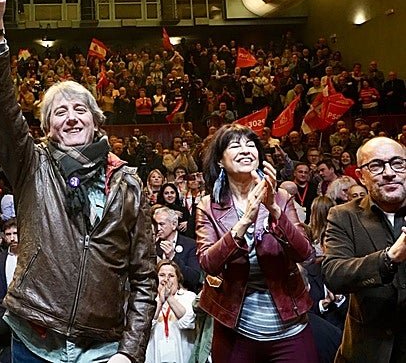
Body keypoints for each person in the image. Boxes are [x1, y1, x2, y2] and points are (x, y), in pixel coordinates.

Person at [0, 0, 155, 363]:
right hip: (35, 338)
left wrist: (130, 351)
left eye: (80, 109)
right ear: (47, 128)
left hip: (103, 346)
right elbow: (1, 113)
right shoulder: (32, 164)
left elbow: (143, 275)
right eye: (60, 112)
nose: (71, 117)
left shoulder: (127, 182)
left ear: (96, 120)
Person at [195, 124, 316, 363]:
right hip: (235, 328)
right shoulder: (208, 206)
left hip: (288, 326)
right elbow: (208, 263)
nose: (245, 150)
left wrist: (273, 209)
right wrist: (243, 223)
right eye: (235, 145)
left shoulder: (281, 197)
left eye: (250, 145)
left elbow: (305, 253)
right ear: (220, 161)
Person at [322, 136, 406, 362]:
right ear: (361, 176)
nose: (389, 173)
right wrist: (389, 258)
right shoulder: (344, 216)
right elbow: (334, 274)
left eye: (397, 163)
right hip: (367, 349)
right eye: (376, 166)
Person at [144, 260, 197, 363]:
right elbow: (145, 327)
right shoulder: (147, 300)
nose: (166, 279)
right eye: (162, 275)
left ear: (178, 279)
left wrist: (169, 297)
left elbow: (188, 322)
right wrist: (160, 302)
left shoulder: (189, 297)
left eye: (171, 275)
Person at [153, 207, 201, 292]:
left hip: (183, 294)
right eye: (156, 225)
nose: (158, 228)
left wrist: (173, 257)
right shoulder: (152, 245)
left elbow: (194, 278)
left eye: (162, 224)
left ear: (174, 224)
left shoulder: (190, 244)